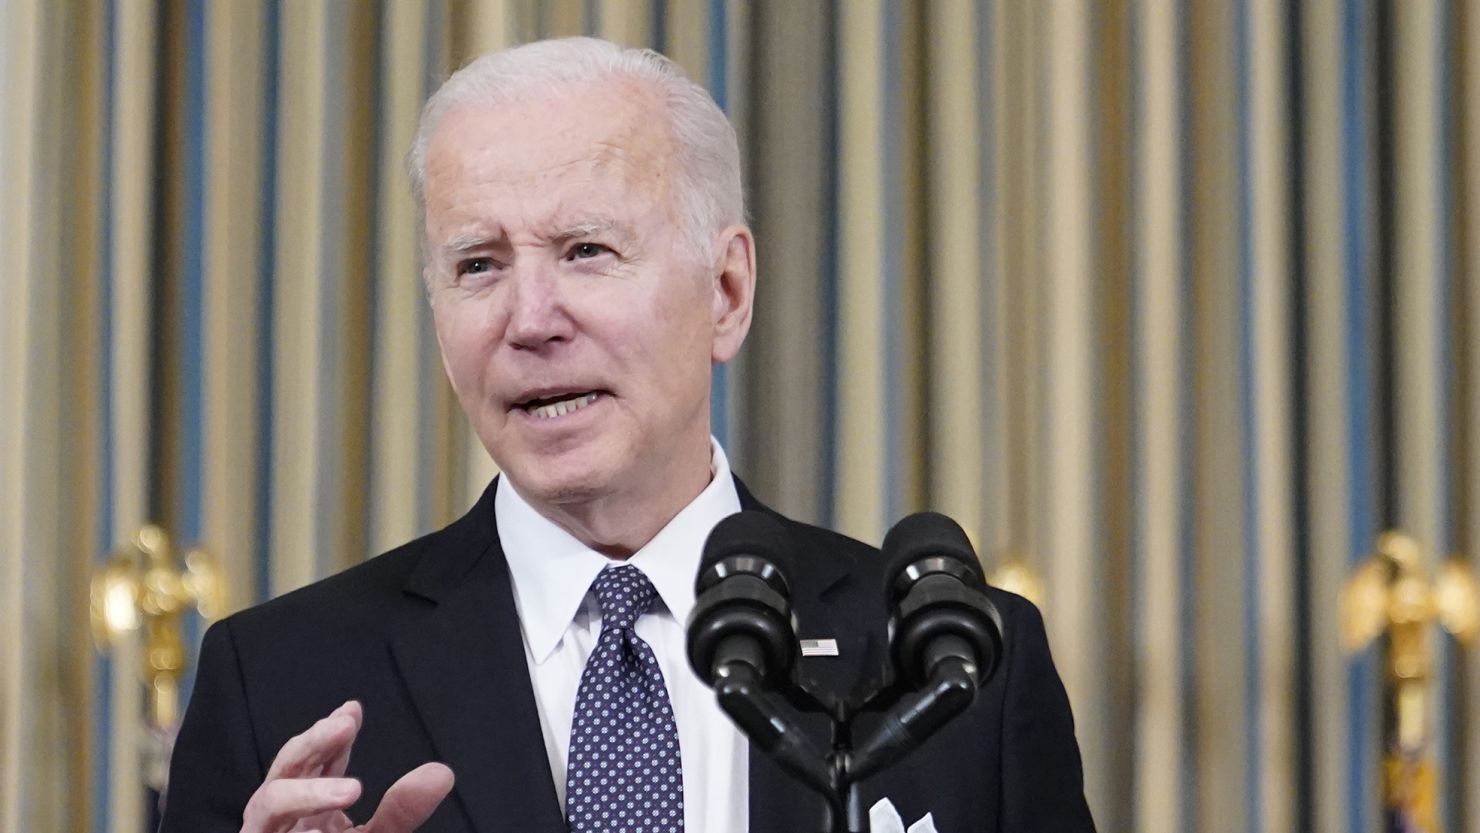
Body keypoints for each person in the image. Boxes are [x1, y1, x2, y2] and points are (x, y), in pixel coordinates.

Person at [159, 37, 1095, 833]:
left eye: (586, 251)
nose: (530, 319)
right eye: (478, 264)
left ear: (725, 292)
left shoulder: (956, 668)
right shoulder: (277, 681)